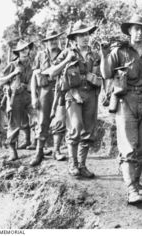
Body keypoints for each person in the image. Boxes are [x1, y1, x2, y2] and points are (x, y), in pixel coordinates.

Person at [100, 15, 142, 204]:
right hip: (125, 100)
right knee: (129, 147)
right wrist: (105, 55)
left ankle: (136, 182)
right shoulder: (119, 51)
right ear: (129, 30)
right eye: (135, 29)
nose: (139, 32)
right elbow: (106, 74)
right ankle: (131, 188)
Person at [41, 21, 102, 178]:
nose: (85, 38)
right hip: (72, 94)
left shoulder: (95, 54)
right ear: (75, 38)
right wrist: (67, 60)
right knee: (75, 127)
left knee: (88, 130)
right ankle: (72, 164)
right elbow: (51, 73)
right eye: (81, 35)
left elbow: (104, 75)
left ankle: (82, 165)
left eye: (86, 34)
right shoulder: (67, 52)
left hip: (91, 94)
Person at [30, 29, 67, 166]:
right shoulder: (40, 56)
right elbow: (34, 77)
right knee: (42, 121)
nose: (52, 42)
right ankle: (39, 152)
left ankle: (56, 150)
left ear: (58, 40)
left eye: (54, 39)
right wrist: (34, 96)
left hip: (60, 90)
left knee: (59, 120)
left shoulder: (64, 54)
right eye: (50, 40)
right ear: (46, 42)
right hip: (44, 91)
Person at [0, 40, 33, 161]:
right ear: (18, 53)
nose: (24, 51)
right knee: (13, 124)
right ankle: (12, 150)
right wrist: (13, 73)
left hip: (29, 95)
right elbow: (1, 81)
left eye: (26, 49)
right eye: (22, 50)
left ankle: (37, 146)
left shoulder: (32, 63)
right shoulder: (13, 65)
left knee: (37, 118)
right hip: (15, 96)